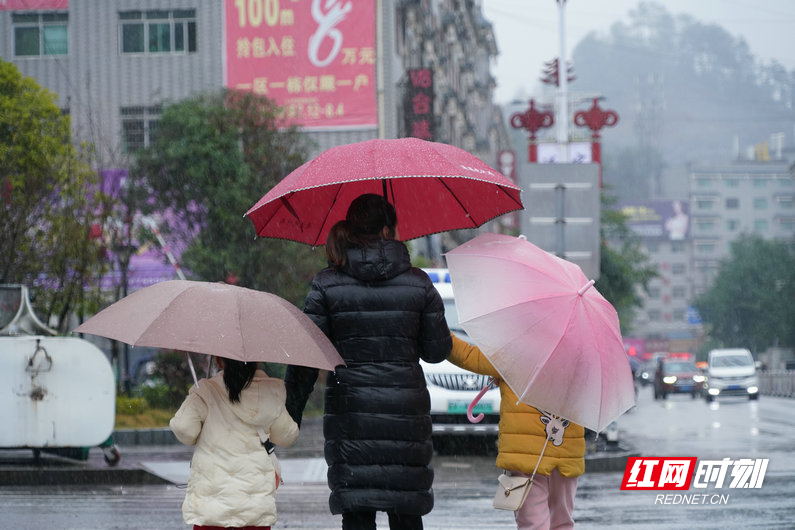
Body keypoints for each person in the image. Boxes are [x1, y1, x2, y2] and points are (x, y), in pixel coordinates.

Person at [284, 193, 452, 530]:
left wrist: (290, 417)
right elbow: (437, 351)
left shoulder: (327, 284)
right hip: (404, 417)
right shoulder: (419, 283)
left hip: (351, 416)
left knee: (357, 514)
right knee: (406, 513)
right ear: (389, 231)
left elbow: (306, 356)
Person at [449, 334, 585, 530]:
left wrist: (436, 327)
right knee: (562, 523)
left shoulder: (513, 354)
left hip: (526, 457)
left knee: (533, 524)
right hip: (566, 456)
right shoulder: (580, 356)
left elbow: (466, 355)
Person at [170, 357, 299, 530]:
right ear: (258, 361)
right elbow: (288, 436)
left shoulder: (206, 391)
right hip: (254, 507)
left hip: (211, 507)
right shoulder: (270, 393)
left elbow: (184, 428)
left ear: (218, 361)